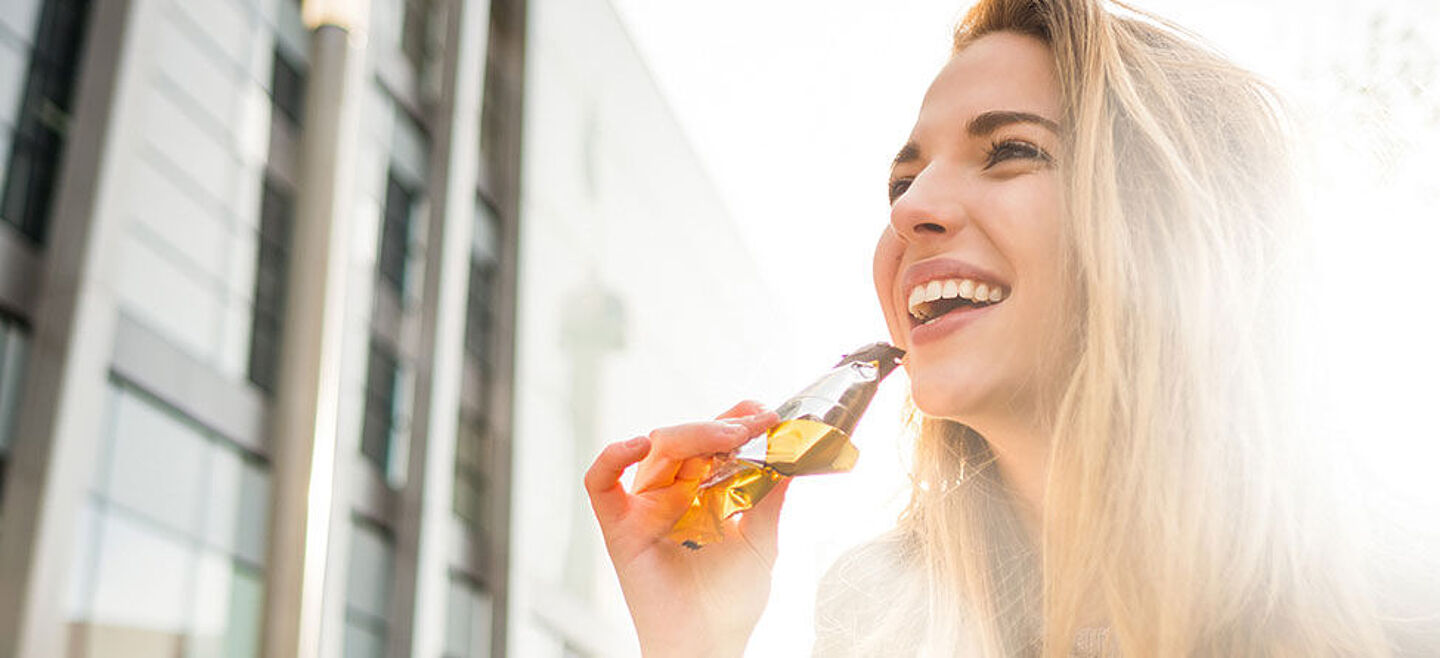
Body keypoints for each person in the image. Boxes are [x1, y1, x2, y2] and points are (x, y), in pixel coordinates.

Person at [584, 0, 1409, 655]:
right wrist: (694, 644)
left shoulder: (1396, 594)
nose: (911, 209)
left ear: (1180, 223)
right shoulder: (875, 615)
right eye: (901, 182)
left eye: (1011, 150)